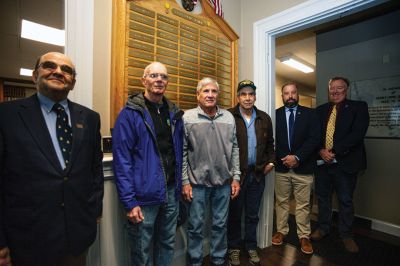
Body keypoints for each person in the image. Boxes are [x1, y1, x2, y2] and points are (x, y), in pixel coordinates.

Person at [0, 52, 104, 266]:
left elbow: (95, 170)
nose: (58, 71)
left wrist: (94, 210)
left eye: (66, 70)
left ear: (72, 83)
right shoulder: (7, 115)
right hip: (27, 239)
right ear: (34, 75)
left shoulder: (90, 118)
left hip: (76, 236)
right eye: (49, 66)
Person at [112, 62, 184, 266]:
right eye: (153, 76)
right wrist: (129, 201)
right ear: (144, 81)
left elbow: (178, 152)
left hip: (171, 193)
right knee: (141, 249)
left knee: (167, 243)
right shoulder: (130, 114)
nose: (159, 79)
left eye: (163, 76)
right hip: (143, 196)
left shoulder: (174, 113)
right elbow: (122, 160)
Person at [182, 77, 240, 266]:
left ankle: (218, 260)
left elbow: (235, 150)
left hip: (223, 184)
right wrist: (184, 181)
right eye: (206, 91)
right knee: (195, 228)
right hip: (196, 185)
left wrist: (236, 178)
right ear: (198, 95)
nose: (210, 95)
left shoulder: (229, 118)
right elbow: (182, 152)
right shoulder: (187, 118)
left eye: (214, 91)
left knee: (220, 226)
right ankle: (195, 262)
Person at [310, 77, 369, 253]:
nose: (335, 91)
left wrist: (333, 151)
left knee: (345, 201)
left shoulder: (359, 107)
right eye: (332, 88)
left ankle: (346, 235)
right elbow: (313, 134)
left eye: (340, 88)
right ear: (328, 90)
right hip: (322, 164)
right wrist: (321, 150)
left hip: (345, 164)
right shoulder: (320, 110)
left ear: (347, 89)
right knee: (323, 199)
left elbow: (357, 134)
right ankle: (323, 228)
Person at [226, 80, 275, 266]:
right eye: (243, 94)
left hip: (257, 175)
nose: (247, 98)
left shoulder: (264, 118)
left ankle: (251, 246)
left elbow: (270, 144)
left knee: (253, 214)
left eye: (251, 94)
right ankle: (234, 249)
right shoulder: (229, 116)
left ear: (255, 96)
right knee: (235, 215)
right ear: (238, 97)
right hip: (236, 177)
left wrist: (271, 161)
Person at [272, 82, 320, 255]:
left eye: (293, 93)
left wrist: (298, 157)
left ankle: (303, 236)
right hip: (281, 167)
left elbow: (314, 139)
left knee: (303, 204)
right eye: (286, 93)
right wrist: (284, 158)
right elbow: (272, 140)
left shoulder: (310, 114)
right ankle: (281, 231)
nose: (290, 96)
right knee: (282, 202)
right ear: (282, 96)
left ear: (297, 94)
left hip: (303, 167)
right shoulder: (275, 114)